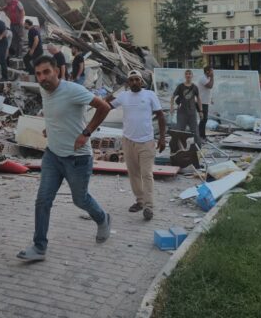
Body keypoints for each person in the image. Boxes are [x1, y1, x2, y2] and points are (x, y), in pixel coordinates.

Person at [17, 55, 112, 262]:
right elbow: (54, 113)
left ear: (57, 71)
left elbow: (104, 107)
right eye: (39, 74)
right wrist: (49, 127)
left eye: (46, 72)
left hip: (77, 158)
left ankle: (102, 218)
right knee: (43, 200)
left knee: (80, 200)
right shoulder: (43, 89)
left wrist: (86, 133)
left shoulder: (73, 90)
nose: (42, 78)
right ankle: (39, 247)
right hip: (52, 156)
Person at [107, 70, 166, 221]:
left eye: (137, 80)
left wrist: (162, 138)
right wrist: (116, 90)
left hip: (146, 141)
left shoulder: (149, 95)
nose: (134, 82)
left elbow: (160, 115)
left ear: (141, 82)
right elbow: (107, 104)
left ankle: (149, 207)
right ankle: (140, 201)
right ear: (128, 82)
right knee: (133, 174)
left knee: (146, 174)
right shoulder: (123, 96)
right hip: (128, 141)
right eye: (131, 80)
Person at [170, 69, 203, 146]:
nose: (188, 75)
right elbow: (173, 97)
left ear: (192, 76)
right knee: (179, 132)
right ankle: (179, 148)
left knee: (195, 132)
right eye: (186, 74)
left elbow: (198, 99)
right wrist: (172, 107)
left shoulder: (195, 87)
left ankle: (198, 149)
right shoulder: (180, 86)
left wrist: (200, 111)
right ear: (185, 76)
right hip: (182, 113)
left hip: (192, 113)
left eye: (189, 74)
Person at [197, 66, 214, 141]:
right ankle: (201, 136)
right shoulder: (203, 78)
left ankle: (202, 136)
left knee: (204, 119)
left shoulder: (207, 78)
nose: (212, 73)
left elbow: (207, 91)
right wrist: (212, 77)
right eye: (211, 71)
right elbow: (210, 86)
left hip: (205, 102)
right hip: (201, 102)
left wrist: (211, 99)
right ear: (207, 71)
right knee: (203, 119)